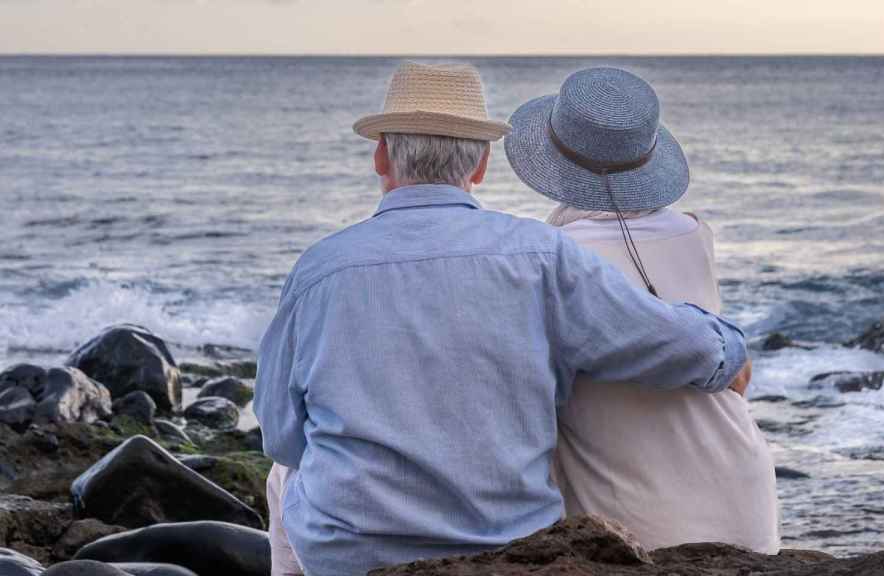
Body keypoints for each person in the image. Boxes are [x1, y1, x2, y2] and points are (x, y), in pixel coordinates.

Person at [255, 61, 750, 576]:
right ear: (482, 165)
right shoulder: (538, 254)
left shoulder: (320, 267)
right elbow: (668, 342)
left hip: (353, 554)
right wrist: (729, 347)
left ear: (381, 156)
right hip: (508, 548)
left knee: (283, 478)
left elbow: (281, 433)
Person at [504, 66, 779, 554]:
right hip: (744, 492)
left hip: (639, 517)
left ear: (556, 159)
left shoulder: (549, 258)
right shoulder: (695, 234)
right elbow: (737, 371)